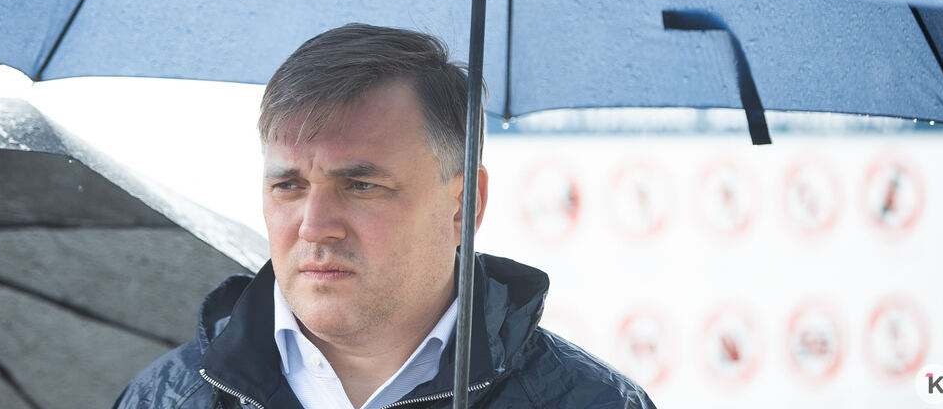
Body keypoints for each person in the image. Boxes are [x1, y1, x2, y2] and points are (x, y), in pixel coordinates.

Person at [115, 24, 655, 408]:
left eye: (361, 186)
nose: (315, 226)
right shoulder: (164, 398)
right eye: (289, 186)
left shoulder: (591, 402)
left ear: (463, 205)